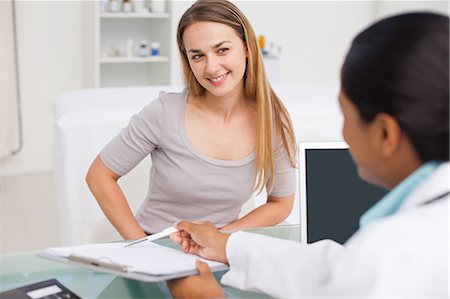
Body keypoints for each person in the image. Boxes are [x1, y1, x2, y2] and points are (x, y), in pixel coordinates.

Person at [168, 12, 449, 298]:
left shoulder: (395, 253)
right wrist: (226, 245)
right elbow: (338, 272)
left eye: (346, 116)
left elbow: (366, 272)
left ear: (386, 134)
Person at [85, 0, 297, 240]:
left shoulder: (271, 120)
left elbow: (281, 202)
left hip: (219, 251)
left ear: (247, 48)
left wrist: (217, 237)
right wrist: (141, 246)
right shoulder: (164, 112)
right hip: (157, 248)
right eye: (198, 56)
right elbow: (99, 175)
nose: (212, 67)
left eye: (222, 50)